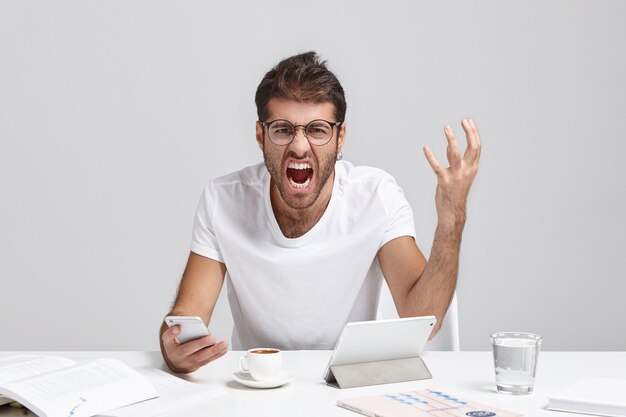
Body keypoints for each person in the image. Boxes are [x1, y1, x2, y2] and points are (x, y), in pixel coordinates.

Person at [160, 51, 481, 373]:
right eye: (283, 129)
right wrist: (173, 347)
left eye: (317, 129)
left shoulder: (376, 196)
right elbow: (187, 316)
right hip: (257, 385)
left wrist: (452, 216)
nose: (299, 146)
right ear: (261, 136)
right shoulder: (223, 200)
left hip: (348, 382)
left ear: (340, 137)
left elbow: (422, 320)